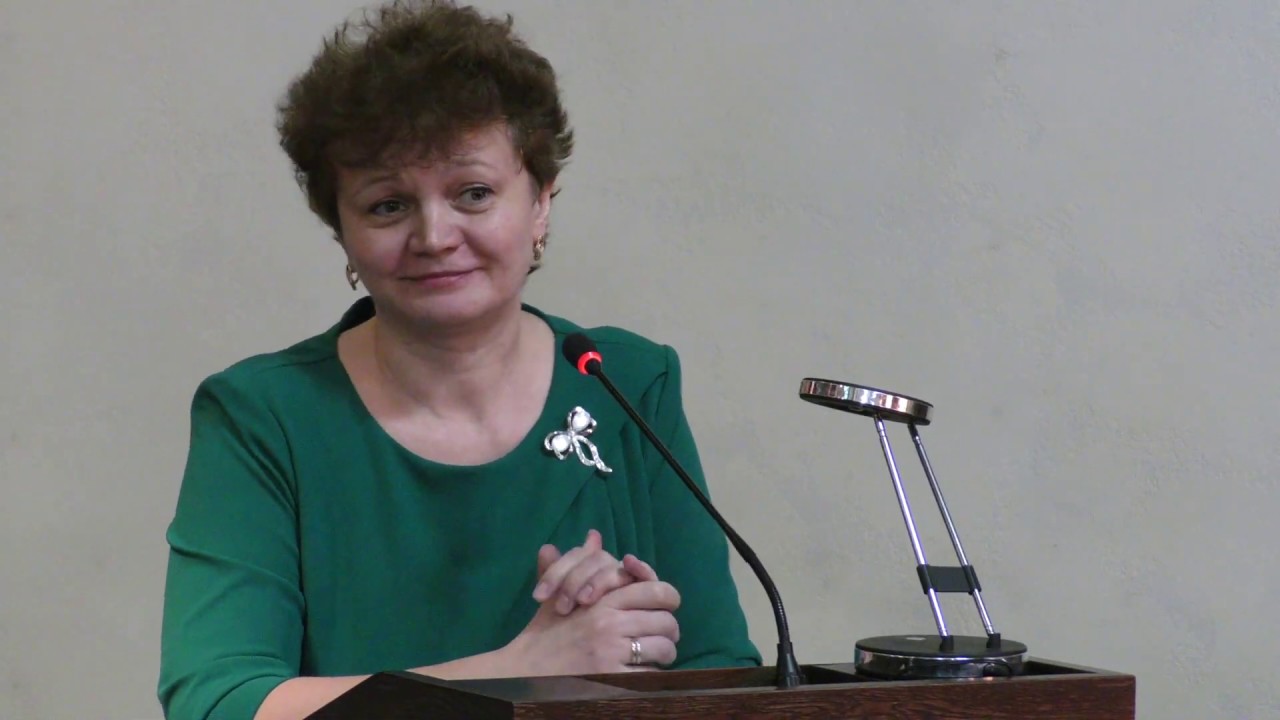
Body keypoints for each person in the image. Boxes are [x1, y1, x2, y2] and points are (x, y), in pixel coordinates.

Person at [157, 1, 760, 718]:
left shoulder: (627, 383)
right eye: (387, 205)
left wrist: (629, 651)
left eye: (473, 193)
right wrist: (522, 671)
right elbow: (218, 703)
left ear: (540, 203)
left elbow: (723, 676)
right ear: (341, 231)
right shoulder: (264, 416)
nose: (435, 236)